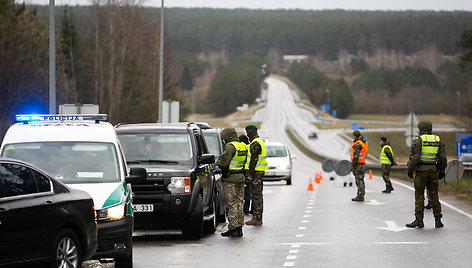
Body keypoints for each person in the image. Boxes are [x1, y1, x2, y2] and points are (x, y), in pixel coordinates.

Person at [406, 120, 447, 228]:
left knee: (419, 195)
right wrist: (442, 170)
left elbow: (415, 157)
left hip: (421, 172)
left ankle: (419, 220)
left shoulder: (419, 140)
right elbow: (443, 157)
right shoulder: (437, 139)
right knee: (434, 195)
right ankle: (438, 220)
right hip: (433, 171)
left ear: (420, 129)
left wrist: (410, 169)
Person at [217, 128, 247, 237]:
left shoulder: (230, 147)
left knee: (231, 204)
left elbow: (223, 164)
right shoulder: (242, 145)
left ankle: (233, 228)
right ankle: (239, 228)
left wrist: (218, 162)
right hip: (240, 177)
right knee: (239, 203)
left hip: (231, 179)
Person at [244, 124, 268, 225]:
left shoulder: (255, 143)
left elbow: (253, 161)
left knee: (256, 196)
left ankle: (257, 218)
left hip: (256, 173)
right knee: (257, 195)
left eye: (247, 132)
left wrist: (249, 175)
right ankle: (258, 217)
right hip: (259, 172)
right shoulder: (259, 141)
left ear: (250, 133)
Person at [350, 130, 368, 202]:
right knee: (361, 180)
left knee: (358, 180)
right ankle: (361, 194)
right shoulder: (364, 142)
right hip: (362, 163)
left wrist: (352, 166)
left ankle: (360, 195)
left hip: (358, 165)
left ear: (355, 136)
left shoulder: (358, 144)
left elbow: (356, 157)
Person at [239, 134, 252, 215]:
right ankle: (248, 210)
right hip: (251, 172)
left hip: (244, 171)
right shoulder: (250, 147)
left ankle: (245, 210)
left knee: (245, 192)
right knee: (249, 193)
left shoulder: (243, 148)